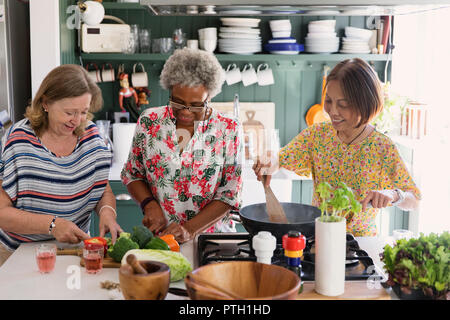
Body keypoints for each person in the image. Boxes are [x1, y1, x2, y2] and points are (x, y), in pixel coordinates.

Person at [253, 58, 421, 236]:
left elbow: (415, 199)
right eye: (329, 101)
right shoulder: (317, 135)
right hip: (318, 237)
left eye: (343, 104)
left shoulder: (383, 148)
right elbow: (281, 158)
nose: (332, 111)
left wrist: (394, 195)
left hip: (360, 243)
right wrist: (269, 162)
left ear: (365, 103)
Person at [0, 64, 123, 267]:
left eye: (83, 112)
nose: (77, 121)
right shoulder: (19, 140)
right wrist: (52, 225)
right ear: (46, 103)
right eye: (69, 112)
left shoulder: (91, 137)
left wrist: (107, 212)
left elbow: (102, 189)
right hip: (19, 253)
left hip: (76, 251)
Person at [121, 48, 243, 244]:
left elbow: (230, 194)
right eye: (177, 102)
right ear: (169, 89)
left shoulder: (228, 128)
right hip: (160, 237)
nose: (185, 112)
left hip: (213, 240)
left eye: (196, 105)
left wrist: (189, 229)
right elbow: (132, 174)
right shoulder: (150, 121)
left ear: (209, 96)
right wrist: (149, 204)